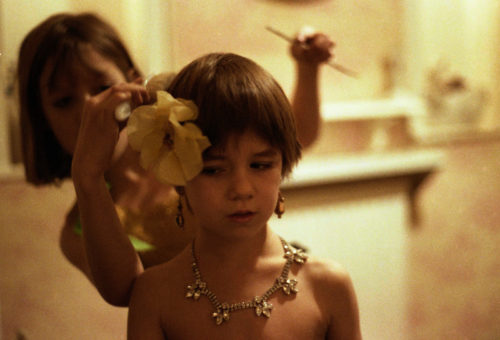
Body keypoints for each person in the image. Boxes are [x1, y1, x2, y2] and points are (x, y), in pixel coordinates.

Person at [17, 12, 334, 306]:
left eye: (102, 87)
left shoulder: (187, 126)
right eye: (62, 101)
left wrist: (307, 69)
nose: (90, 110)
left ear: (133, 81)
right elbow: (128, 292)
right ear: (41, 119)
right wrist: (88, 177)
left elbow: (293, 137)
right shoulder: (78, 231)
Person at [126, 52, 361, 339]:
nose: (241, 189)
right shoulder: (154, 296)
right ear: (178, 173)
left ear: (283, 165)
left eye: (260, 165)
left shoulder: (327, 286)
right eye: (213, 170)